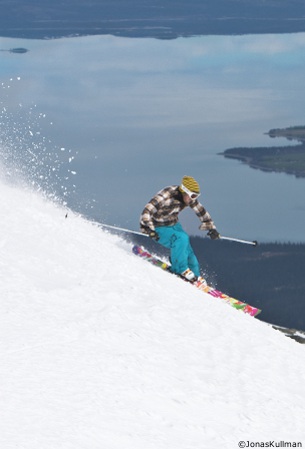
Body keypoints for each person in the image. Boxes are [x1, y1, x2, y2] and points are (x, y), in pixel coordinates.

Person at [140, 175, 220, 283]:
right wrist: (150, 229)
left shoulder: (188, 198)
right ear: (185, 191)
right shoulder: (166, 195)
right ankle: (180, 269)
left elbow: (200, 210)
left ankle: (195, 274)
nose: (194, 199)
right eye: (192, 195)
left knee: (186, 247)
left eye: (196, 196)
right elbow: (146, 211)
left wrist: (211, 227)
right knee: (181, 238)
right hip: (158, 227)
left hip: (173, 224)